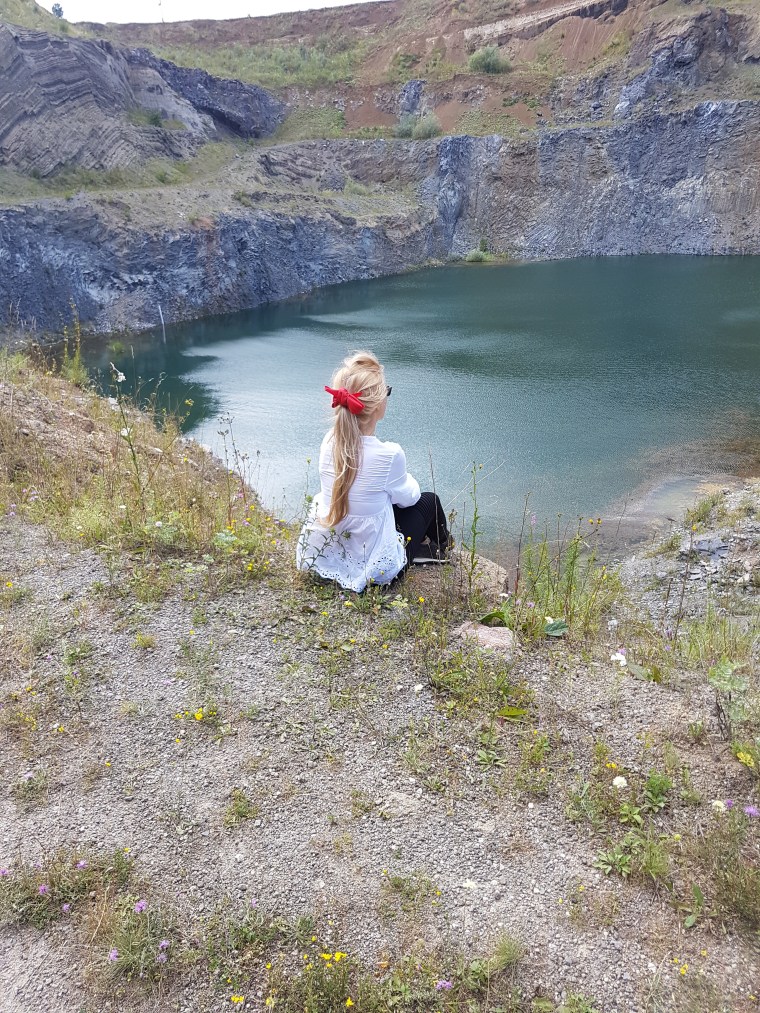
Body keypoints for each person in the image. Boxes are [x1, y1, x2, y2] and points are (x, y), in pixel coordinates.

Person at [296, 350, 450, 592]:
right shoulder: (389, 454)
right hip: (375, 569)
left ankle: (427, 547)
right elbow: (410, 498)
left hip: (330, 554)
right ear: (378, 404)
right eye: (386, 391)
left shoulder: (329, 441)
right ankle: (441, 548)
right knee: (429, 501)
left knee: (378, 502)